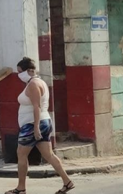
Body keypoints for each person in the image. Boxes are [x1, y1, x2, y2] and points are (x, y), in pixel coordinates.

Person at [5, 57, 74, 194]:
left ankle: (21, 188)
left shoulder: (33, 85)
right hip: (42, 122)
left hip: (32, 124)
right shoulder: (38, 82)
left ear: (27, 71)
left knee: (21, 154)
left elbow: (36, 107)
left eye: (20, 72)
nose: (18, 75)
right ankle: (67, 182)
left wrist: (36, 127)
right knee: (49, 155)